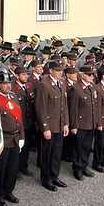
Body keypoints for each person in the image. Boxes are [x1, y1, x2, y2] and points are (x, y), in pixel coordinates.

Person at [35, 59, 69, 191]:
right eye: (57, 70)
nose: (60, 73)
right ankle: (46, 179)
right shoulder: (44, 85)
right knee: (47, 154)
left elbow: (64, 106)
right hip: (49, 126)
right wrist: (45, 128)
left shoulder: (61, 83)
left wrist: (65, 123)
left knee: (56, 153)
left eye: (61, 70)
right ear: (51, 71)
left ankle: (54, 176)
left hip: (59, 125)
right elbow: (40, 108)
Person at [0, 68, 25, 206]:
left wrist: (22, 136)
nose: (8, 86)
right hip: (2, 139)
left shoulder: (13, 96)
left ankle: (8, 191)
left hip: (15, 138)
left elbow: (19, 119)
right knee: (0, 169)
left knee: (12, 168)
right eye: (4, 83)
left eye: (9, 83)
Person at [68, 64, 97, 180]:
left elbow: (94, 106)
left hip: (90, 122)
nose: (92, 77)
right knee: (78, 148)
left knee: (87, 147)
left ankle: (84, 166)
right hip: (80, 124)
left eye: (93, 75)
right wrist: (74, 126)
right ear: (82, 75)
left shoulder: (91, 86)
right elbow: (73, 109)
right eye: (89, 75)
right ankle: (77, 168)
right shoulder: (76, 89)